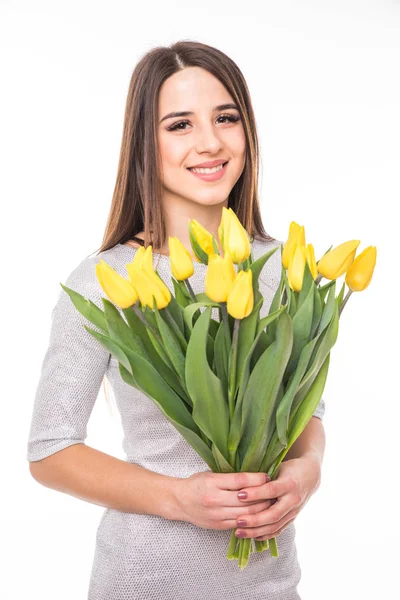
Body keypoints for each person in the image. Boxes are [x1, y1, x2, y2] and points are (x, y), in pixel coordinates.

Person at [26, 40, 326, 600]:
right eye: (180, 125)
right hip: (147, 581)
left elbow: (304, 409)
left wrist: (307, 470)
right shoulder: (104, 280)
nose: (210, 142)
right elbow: (50, 449)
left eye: (226, 118)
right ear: (146, 141)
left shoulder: (285, 267)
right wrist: (178, 497)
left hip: (272, 583)